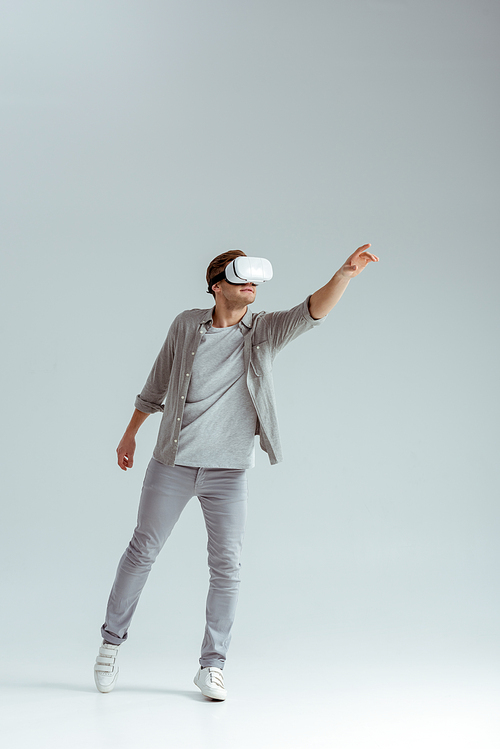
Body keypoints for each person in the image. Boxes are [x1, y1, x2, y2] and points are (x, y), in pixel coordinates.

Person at [93, 244, 379, 700]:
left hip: (228, 472)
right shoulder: (188, 324)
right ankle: (110, 645)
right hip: (172, 462)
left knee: (227, 567)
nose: (251, 286)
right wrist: (130, 434)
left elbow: (310, 312)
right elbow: (157, 381)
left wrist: (343, 275)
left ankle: (212, 665)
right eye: (240, 278)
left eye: (255, 281)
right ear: (216, 286)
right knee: (142, 551)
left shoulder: (263, 330)